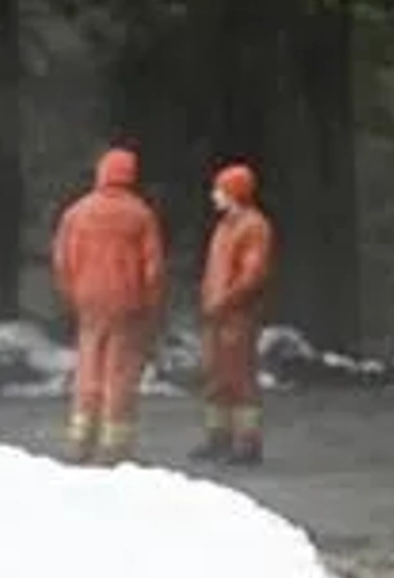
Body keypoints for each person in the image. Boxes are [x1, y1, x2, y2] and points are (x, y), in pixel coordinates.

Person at [50, 144, 166, 464]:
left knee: (88, 368)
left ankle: (80, 440)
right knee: (119, 372)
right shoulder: (141, 215)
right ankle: (113, 446)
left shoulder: (76, 212)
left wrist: (73, 294)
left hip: (89, 302)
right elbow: (152, 268)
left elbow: (62, 260)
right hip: (127, 305)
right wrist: (151, 305)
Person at [192, 161, 276, 466]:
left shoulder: (254, 226)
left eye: (219, 189)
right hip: (219, 312)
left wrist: (224, 301)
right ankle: (218, 437)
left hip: (237, 314)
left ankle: (247, 443)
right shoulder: (225, 226)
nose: (214, 195)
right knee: (216, 376)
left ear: (234, 193)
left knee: (239, 378)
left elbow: (251, 275)